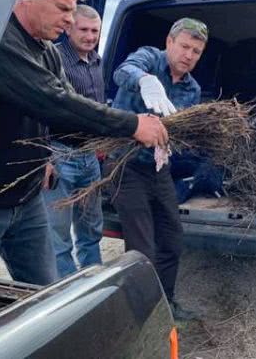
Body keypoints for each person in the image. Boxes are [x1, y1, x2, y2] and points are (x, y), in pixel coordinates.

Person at [0, 0, 168, 286]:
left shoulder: (46, 51)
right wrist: (132, 124)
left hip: (27, 202)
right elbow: (52, 101)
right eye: (62, 8)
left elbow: (52, 115)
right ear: (25, 0)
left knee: (45, 294)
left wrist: (44, 157)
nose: (69, 19)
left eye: (72, 9)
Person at [111, 17, 208, 320]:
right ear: (169, 42)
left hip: (158, 168)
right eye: (184, 46)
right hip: (126, 166)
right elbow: (121, 71)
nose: (189, 55)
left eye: (196, 51)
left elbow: (181, 129)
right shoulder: (149, 59)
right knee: (141, 249)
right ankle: (142, 313)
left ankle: (165, 304)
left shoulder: (192, 88)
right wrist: (144, 80)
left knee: (172, 238)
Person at [43, 4, 107, 277]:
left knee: (91, 227)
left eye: (95, 31)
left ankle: (94, 283)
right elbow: (41, 109)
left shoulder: (97, 60)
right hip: (61, 156)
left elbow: (98, 107)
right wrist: (45, 158)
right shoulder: (53, 58)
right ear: (69, 28)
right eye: (84, 29)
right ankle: (68, 293)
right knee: (58, 234)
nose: (90, 36)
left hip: (89, 158)